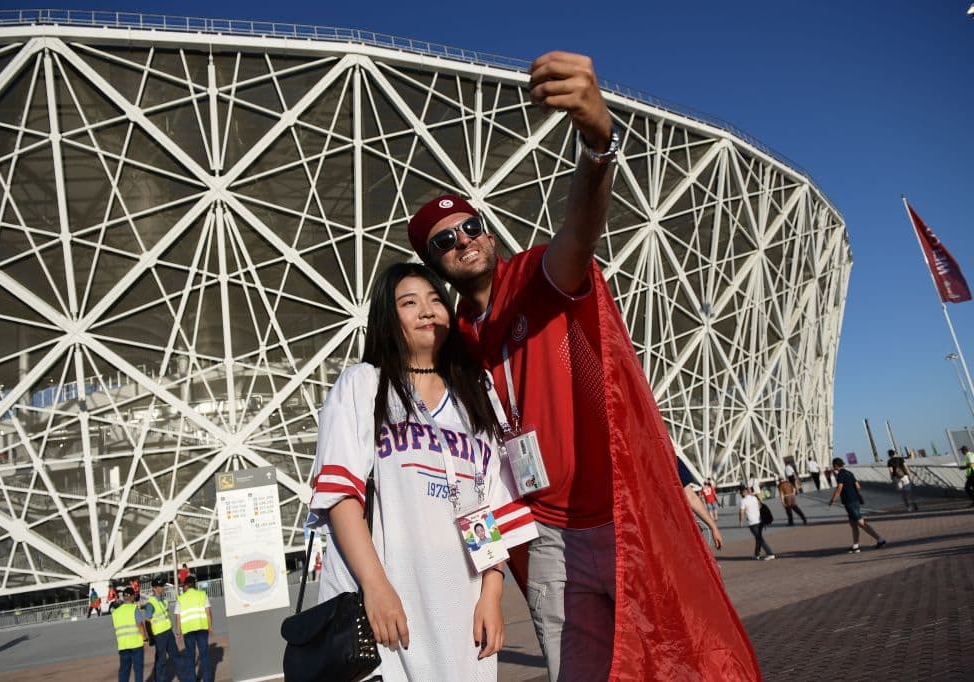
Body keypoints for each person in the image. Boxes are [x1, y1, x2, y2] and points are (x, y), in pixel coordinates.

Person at [405, 51, 759, 680]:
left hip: (620, 520)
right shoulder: (453, 341)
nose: (465, 240)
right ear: (434, 263)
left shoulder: (539, 276)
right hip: (545, 542)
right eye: (445, 241)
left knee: (681, 660)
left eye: (473, 226)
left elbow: (580, 233)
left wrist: (597, 146)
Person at [309, 262, 537, 681]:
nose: (427, 310)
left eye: (436, 300)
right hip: (387, 606)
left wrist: (491, 593)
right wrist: (376, 588)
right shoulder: (364, 385)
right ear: (386, 317)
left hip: (462, 610)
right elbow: (342, 497)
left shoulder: (475, 400)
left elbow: (482, 508)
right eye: (409, 302)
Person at [829, 457, 886, 553]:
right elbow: (858, 486)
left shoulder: (841, 475)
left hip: (849, 502)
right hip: (855, 500)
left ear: (835, 466)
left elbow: (839, 488)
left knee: (860, 522)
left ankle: (880, 539)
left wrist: (832, 500)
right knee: (853, 524)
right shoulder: (849, 473)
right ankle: (856, 546)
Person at [175, 574, 212, 682]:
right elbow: (208, 612)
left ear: (186, 586)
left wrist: (179, 632)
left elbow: (178, 616)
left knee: (190, 656)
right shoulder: (202, 594)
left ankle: (191, 679)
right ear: (194, 585)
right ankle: (207, 679)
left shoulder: (181, 598)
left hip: (188, 630)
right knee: (204, 655)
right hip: (202, 628)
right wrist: (210, 626)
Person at [144, 576, 181, 682]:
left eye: (163, 585)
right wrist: (151, 637)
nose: (163, 588)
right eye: (160, 586)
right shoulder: (151, 603)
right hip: (159, 635)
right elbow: (147, 621)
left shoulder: (164, 600)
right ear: (154, 588)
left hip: (168, 632)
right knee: (161, 660)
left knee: (176, 657)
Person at [112, 586, 148, 682]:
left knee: (124, 670)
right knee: (138, 669)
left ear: (124, 597)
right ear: (132, 596)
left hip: (123, 645)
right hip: (136, 644)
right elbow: (140, 625)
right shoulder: (134, 608)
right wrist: (145, 639)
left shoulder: (116, 612)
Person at [738, 487, 775, 560]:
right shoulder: (754, 498)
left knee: (759, 538)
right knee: (758, 538)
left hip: (752, 522)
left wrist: (741, 521)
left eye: (739, 493)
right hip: (759, 521)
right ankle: (756, 554)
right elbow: (759, 506)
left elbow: (741, 512)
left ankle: (770, 553)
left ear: (742, 493)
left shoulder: (743, 501)